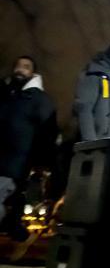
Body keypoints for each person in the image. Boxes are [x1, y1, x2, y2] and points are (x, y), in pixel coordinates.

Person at [0, 56, 57, 240]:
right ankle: (14, 227)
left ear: (33, 73)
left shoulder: (39, 100)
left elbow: (48, 132)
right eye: (17, 66)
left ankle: (14, 226)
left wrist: (42, 162)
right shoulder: (6, 95)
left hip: (16, 163)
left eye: (25, 67)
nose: (20, 70)